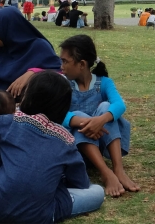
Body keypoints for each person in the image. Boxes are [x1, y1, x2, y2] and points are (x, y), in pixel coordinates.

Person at [0, 71, 105, 223]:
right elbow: (80, 183)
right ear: (64, 106)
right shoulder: (67, 140)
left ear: (27, 96)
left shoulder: (13, 121)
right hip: (39, 215)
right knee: (98, 192)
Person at [59, 34, 139, 197]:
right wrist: (86, 122)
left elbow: (120, 105)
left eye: (65, 61)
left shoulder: (104, 82)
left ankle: (118, 169)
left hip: (102, 143)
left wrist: (100, 120)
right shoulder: (62, 84)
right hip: (76, 149)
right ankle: (106, 172)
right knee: (77, 114)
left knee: (106, 107)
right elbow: (57, 113)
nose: (61, 66)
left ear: (82, 64)